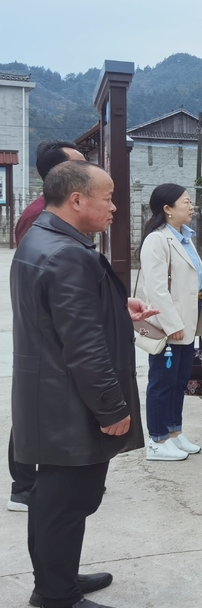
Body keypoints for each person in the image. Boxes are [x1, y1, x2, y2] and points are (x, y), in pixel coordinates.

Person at [11, 161, 159, 608]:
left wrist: (118, 306)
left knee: (55, 499)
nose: (115, 206)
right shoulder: (67, 253)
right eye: (108, 197)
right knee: (67, 500)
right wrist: (112, 409)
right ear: (77, 200)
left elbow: (65, 315)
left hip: (50, 395)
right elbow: (84, 345)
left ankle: (53, 580)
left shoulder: (43, 238)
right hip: (71, 402)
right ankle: (58, 602)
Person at [9, 140, 84, 513]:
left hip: (50, 334)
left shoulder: (57, 218)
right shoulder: (39, 217)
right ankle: (24, 483)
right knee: (34, 410)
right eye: (81, 165)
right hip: (45, 337)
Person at [134, 184, 202, 462]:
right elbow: (155, 289)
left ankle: (174, 432)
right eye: (186, 202)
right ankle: (157, 439)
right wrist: (171, 322)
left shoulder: (183, 237)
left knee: (179, 382)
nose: (191, 207)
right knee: (162, 382)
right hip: (170, 327)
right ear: (167, 209)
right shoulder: (157, 240)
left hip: (189, 323)